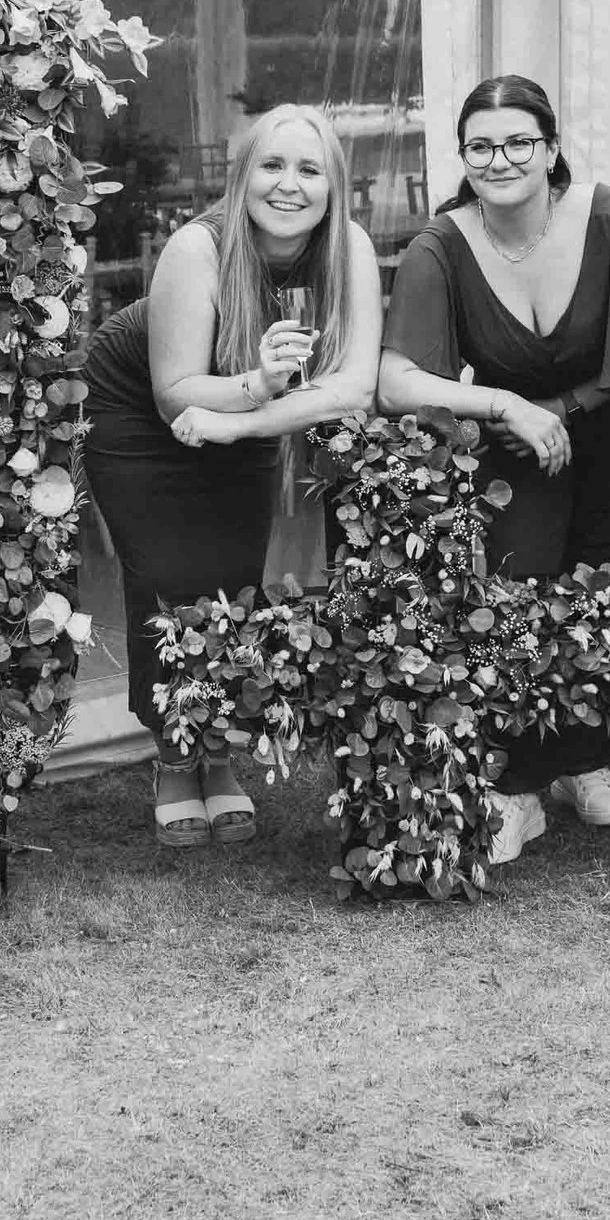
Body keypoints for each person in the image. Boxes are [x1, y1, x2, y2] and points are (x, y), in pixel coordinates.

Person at [377, 74, 610, 863]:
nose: (500, 158)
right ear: (463, 156)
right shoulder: (439, 246)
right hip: (515, 446)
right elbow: (396, 377)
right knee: (515, 591)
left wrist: (566, 412)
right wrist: (508, 407)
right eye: (481, 145)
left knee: (607, 582)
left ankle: (589, 759)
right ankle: (517, 786)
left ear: (550, 150)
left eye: (519, 142)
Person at [83, 105, 382, 849]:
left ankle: (218, 748)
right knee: (167, 577)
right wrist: (261, 384)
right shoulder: (198, 247)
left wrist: (246, 417)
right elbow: (175, 391)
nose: (290, 185)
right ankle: (175, 757)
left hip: (243, 406)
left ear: (333, 183)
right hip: (141, 410)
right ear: (244, 176)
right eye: (272, 166)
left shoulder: (349, 246)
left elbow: (352, 389)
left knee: (231, 580)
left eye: (309, 169)